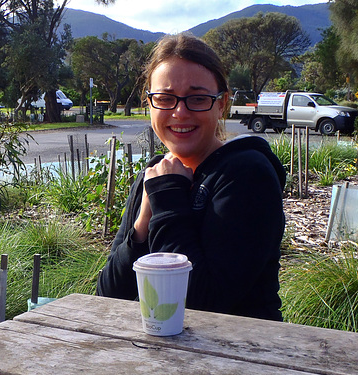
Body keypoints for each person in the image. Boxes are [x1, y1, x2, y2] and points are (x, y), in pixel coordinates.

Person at [96, 33, 286, 321]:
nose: (180, 112)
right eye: (164, 99)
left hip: (239, 355)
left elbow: (203, 304)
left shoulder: (247, 174)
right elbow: (108, 296)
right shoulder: (155, 175)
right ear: (150, 104)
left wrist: (167, 200)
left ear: (221, 104)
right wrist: (141, 227)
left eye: (197, 98)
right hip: (154, 351)